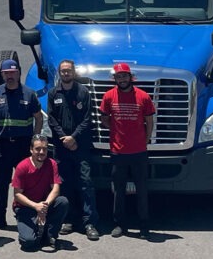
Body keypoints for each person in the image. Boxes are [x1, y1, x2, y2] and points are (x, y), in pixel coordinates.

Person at [100, 62, 156, 239]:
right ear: (114, 78)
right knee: (118, 190)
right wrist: (116, 132)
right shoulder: (109, 96)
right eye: (119, 76)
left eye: (125, 75)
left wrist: (145, 140)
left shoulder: (143, 97)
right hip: (118, 151)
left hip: (139, 151)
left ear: (131, 77)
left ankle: (144, 224)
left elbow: (150, 122)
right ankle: (119, 224)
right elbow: (104, 119)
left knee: (142, 190)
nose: (122, 79)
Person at [46, 59, 99, 240]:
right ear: (59, 73)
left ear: (74, 72)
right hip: (62, 147)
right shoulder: (54, 93)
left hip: (81, 146)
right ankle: (68, 219)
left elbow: (87, 119)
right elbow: (51, 119)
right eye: (63, 71)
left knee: (85, 183)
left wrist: (74, 138)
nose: (66, 74)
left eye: (69, 71)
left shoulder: (83, 92)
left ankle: (89, 222)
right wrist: (64, 138)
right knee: (65, 183)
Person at [0, 59, 43, 229]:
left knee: (25, 183)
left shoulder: (29, 93)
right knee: (1, 183)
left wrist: (35, 139)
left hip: (23, 145)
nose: (10, 76)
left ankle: (27, 215)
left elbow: (38, 118)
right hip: (3, 145)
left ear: (19, 73)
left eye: (13, 72)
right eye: (7, 73)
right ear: (2, 74)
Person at [13, 134, 69, 252]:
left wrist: (44, 206)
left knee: (62, 201)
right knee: (28, 242)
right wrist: (36, 206)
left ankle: (50, 234)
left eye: (44, 148)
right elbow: (17, 195)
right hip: (25, 207)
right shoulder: (22, 167)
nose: (41, 152)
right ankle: (31, 230)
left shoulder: (52, 163)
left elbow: (56, 189)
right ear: (31, 149)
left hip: (43, 204)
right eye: (38, 149)